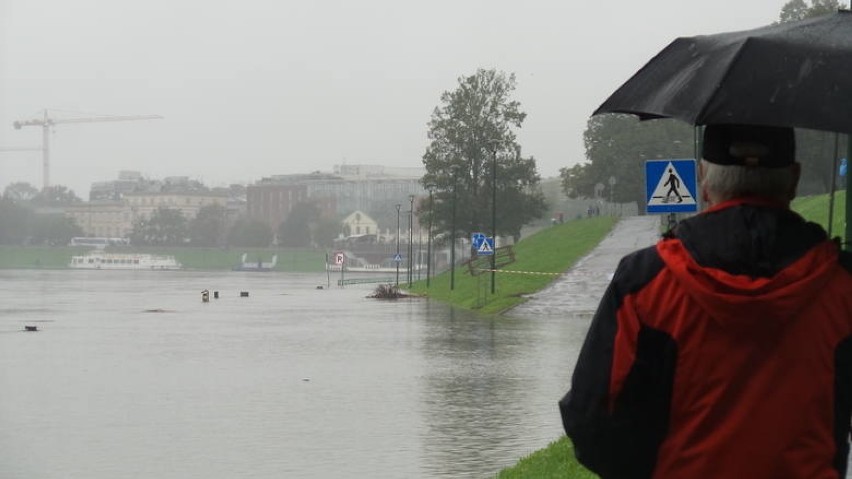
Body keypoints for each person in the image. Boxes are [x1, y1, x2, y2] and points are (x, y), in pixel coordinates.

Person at [559, 123, 852, 479]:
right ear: (794, 178)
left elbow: (592, 418)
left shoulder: (645, 281)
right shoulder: (840, 283)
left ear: (702, 180)